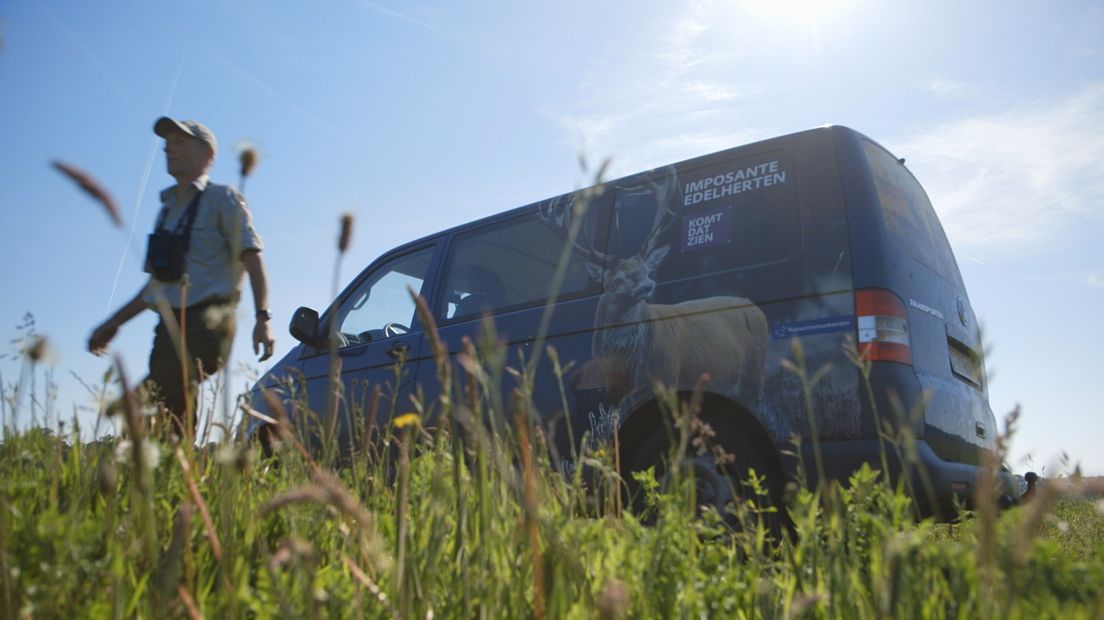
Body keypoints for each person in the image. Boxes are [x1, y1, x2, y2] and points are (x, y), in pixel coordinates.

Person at [88, 117, 275, 436]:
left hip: (209, 323)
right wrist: (114, 322)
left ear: (207, 154)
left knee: (147, 395)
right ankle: (178, 470)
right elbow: (155, 287)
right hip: (169, 325)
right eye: (167, 144)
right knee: (171, 408)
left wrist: (262, 318)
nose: (168, 149)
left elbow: (252, 257)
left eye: (180, 142)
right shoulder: (166, 211)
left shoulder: (223, 198)